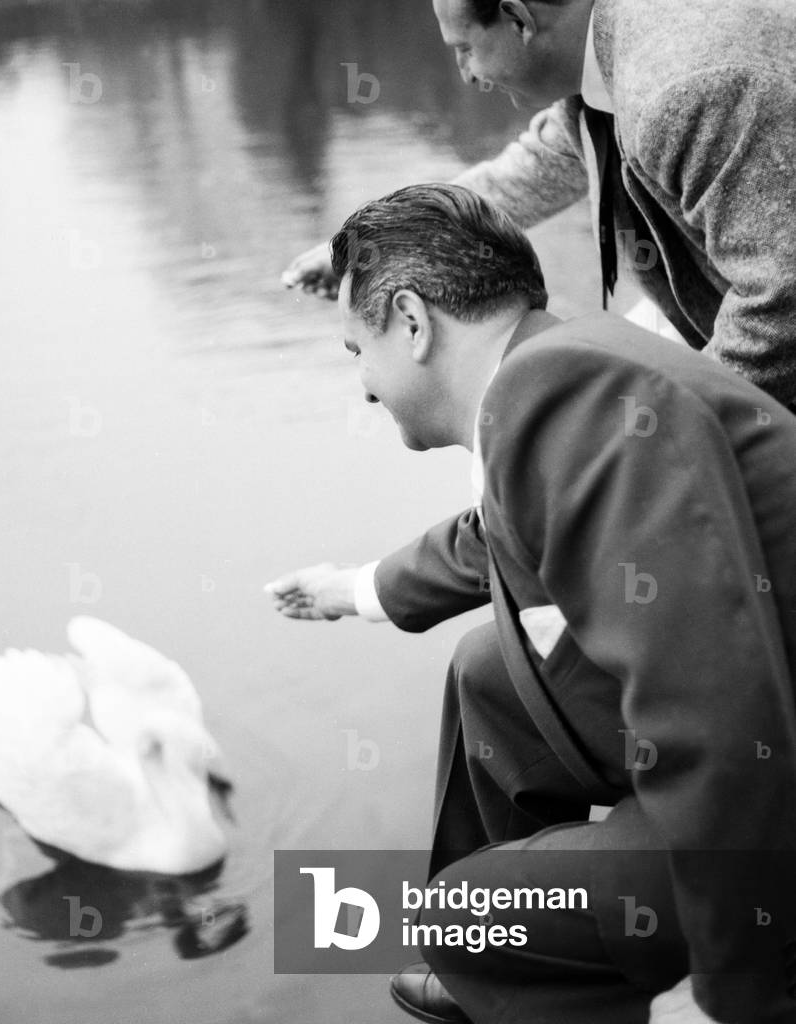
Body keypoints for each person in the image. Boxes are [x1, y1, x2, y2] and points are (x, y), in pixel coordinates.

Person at [266, 183, 796, 1024]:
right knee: (490, 670)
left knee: (456, 917)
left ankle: (543, 961)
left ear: (412, 322)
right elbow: (496, 536)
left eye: (354, 351)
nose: (363, 387)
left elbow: (720, 715)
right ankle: (503, 961)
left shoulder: (565, 393)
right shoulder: (560, 363)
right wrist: (355, 589)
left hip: (771, 815)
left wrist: (732, 992)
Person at [281, 0, 796, 412]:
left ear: (517, 19)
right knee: (579, 397)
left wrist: (674, 432)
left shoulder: (681, 89)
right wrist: (380, 248)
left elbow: (783, 302)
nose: (465, 75)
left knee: (598, 423)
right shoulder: (610, 56)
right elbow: (531, 171)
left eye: (465, 49)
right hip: (725, 321)